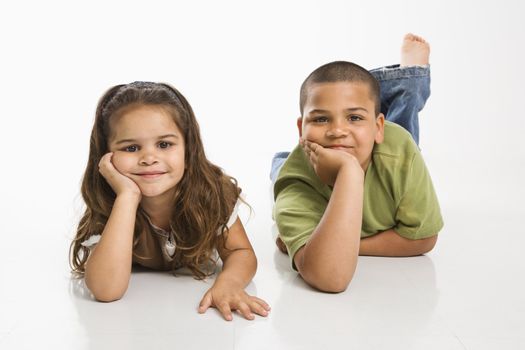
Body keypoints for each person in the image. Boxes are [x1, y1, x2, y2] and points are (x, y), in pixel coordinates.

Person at [70, 81, 270, 321]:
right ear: (106, 156)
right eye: (131, 148)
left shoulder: (212, 191)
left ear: (188, 149)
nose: (149, 158)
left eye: (164, 144)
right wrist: (127, 197)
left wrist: (228, 283)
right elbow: (106, 290)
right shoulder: (108, 201)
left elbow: (240, 251)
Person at [271, 34, 444, 293]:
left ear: (378, 127)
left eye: (353, 117)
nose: (337, 130)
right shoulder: (296, 183)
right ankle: (281, 159)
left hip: (384, 147)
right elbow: (330, 277)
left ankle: (410, 77)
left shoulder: (398, 151)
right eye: (319, 120)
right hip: (312, 161)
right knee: (280, 169)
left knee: (404, 128)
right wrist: (349, 171)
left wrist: (346, 244)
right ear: (301, 128)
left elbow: (423, 239)